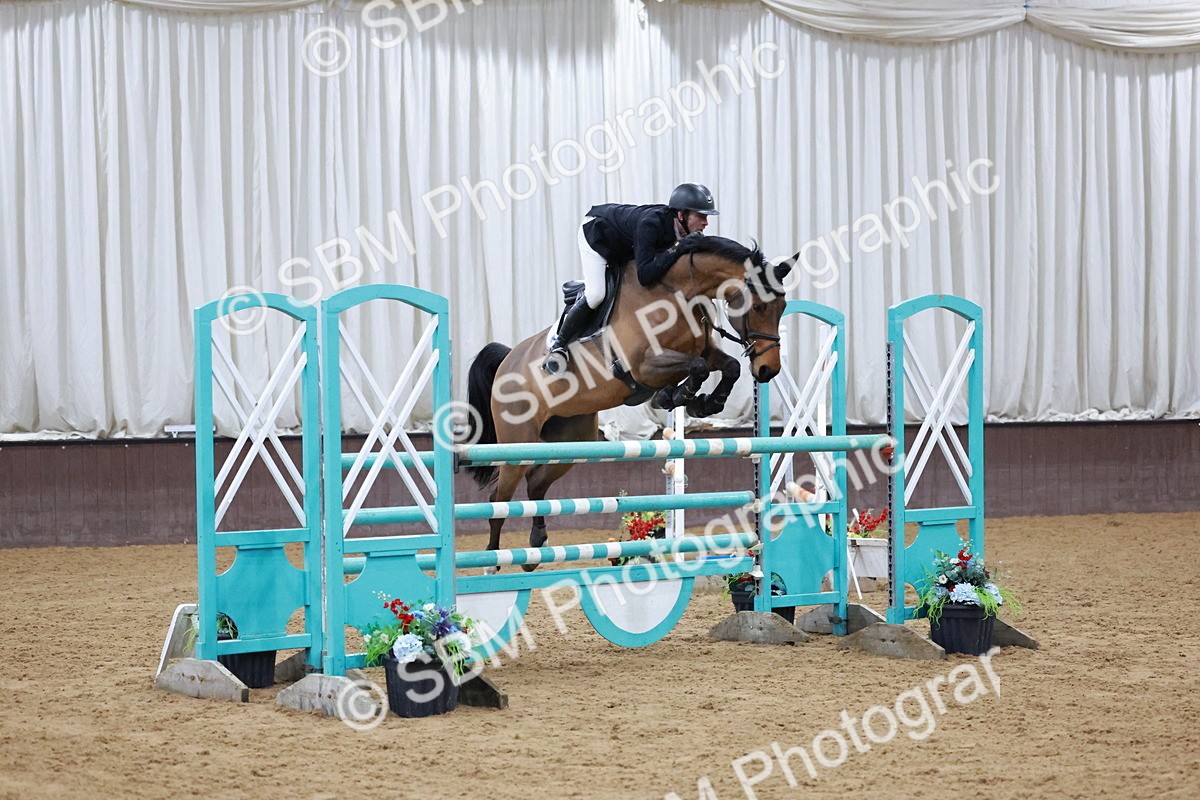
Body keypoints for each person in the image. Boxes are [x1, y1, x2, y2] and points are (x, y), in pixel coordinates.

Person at [544, 183, 718, 373]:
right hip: (596, 235)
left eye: (706, 217)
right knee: (596, 294)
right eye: (701, 216)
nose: (705, 223)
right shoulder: (651, 224)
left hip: (625, 244)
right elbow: (645, 276)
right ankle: (558, 345)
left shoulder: (680, 231)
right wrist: (679, 247)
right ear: (681, 215)